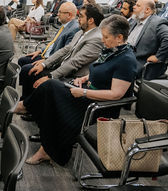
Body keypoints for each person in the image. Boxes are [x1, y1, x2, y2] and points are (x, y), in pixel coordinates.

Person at [15, 15, 137, 165]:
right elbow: (102, 71)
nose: (102, 40)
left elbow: (115, 95)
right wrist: (85, 78)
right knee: (50, 94)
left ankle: (26, 108)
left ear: (119, 37)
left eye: (106, 37)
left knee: (50, 87)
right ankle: (46, 148)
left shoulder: (126, 60)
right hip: (88, 94)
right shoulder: (112, 51)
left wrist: (84, 92)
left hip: (99, 106)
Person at [20, 4, 104, 102]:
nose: (78, 19)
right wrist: (44, 64)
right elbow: (65, 50)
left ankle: (28, 105)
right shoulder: (81, 32)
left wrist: (51, 76)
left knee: (38, 77)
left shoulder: (96, 38)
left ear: (90, 20)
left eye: (81, 16)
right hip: (62, 67)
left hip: (73, 77)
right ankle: (27, 103)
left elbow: (75, 62)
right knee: (31, 70)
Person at [18, 2, 79, 98]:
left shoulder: (74, 29)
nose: (57, 14)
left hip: (53, 61)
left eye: (60, 12)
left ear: (69, 15)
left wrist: (46, 61)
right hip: (48, 54)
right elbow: (53, 43)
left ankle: (27, 99)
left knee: (27, 69)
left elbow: (65, 53)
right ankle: (28, 90)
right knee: (22, 60)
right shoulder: (65, 25)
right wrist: (40, 51)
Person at [128, 0, 168, 79]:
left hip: (140, 63)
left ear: (147, 10)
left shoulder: (158, 22)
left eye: (138, 5)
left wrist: (158, 57)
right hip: (128, 57)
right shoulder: (135, 20)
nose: (134, 7)